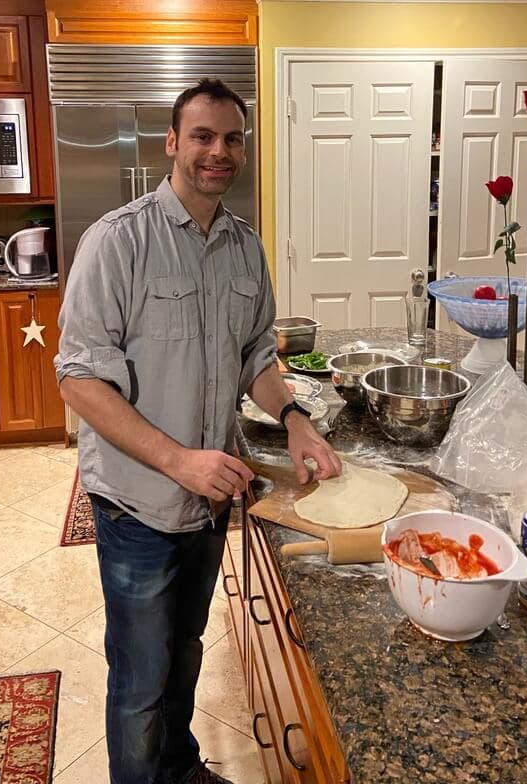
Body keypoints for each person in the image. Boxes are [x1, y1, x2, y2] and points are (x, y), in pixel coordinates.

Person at [56, 77, 341, 784]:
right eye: (203, 136)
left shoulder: (245, 248)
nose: (219, 152)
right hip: (138, 506)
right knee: (140, 680)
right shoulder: (117, 241)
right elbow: (79, 380)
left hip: (209, 503)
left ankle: (180, 768)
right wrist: (180, 461)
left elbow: (255, 358)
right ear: (172, 143)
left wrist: (295, 419)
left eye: (232, 139)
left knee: (185, 651)